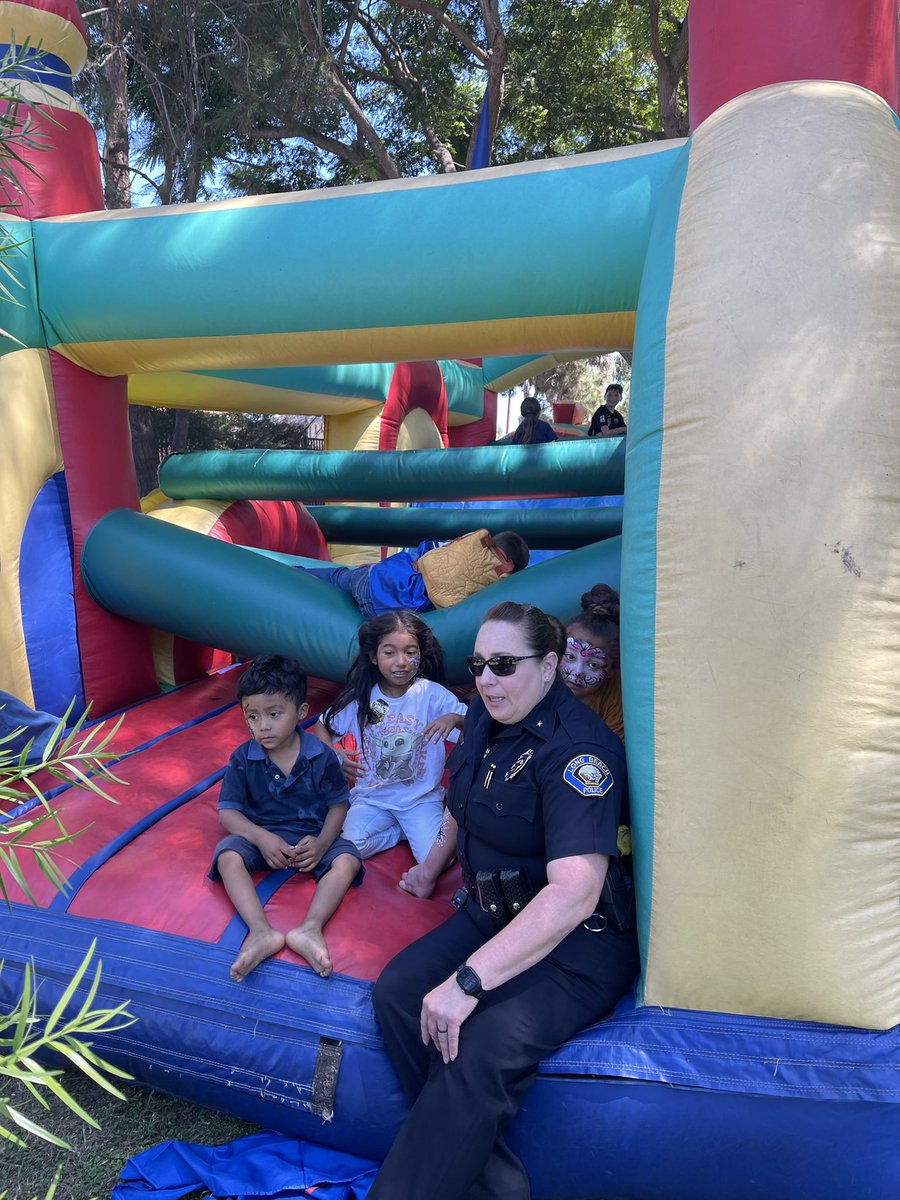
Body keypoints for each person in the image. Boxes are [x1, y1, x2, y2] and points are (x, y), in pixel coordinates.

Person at [368, 601, 638, 1200]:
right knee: (397, 994)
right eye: (480, 663)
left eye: (504, 664)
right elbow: (463, 809)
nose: (487, 677)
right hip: (493, 912)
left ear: (550, 666)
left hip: (578, 943)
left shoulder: (579, 753)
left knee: (476, 1050)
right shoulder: (485, 716)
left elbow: (574, 893)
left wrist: (467, 983)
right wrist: (430, 866)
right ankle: (488, 1179)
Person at [209, 655, 362, 982]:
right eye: (252, 716)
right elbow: (228, 812)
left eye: (274, 714)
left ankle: (309, 929)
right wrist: (261, 838)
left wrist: (322, 845)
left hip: (311, 840)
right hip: (263, 838)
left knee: (347, 860)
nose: (262, 726)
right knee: (227, 855)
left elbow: (338, 806)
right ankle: (260, 930)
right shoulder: (243, 758)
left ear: (301, 713)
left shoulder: (321, 756)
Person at [313, 611, 468, 862]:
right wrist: (333, 753)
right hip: (373, 798)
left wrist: (454, 719)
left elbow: (475, 726)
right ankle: (397, 832)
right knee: (348, 847)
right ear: (374, 656)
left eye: (410, 652)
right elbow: (323, 726)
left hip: (420, 799)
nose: (401, 662)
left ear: (420, 654)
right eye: (389, 653)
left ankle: (410, 829)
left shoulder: (432, 695)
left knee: (438, 859)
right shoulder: (362, 698)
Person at [300, 529, 530, 619]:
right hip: (387, 613)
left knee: (338, 576)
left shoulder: (466, 544)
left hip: (376, 578)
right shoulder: (497, 587)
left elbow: (425, 548)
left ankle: (294, 575)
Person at [561, 583, 623, 741]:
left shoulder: (614, 700)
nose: (577, 672)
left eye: (593, 665)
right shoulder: (543, 680)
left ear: (612, 670)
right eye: (570, 657)